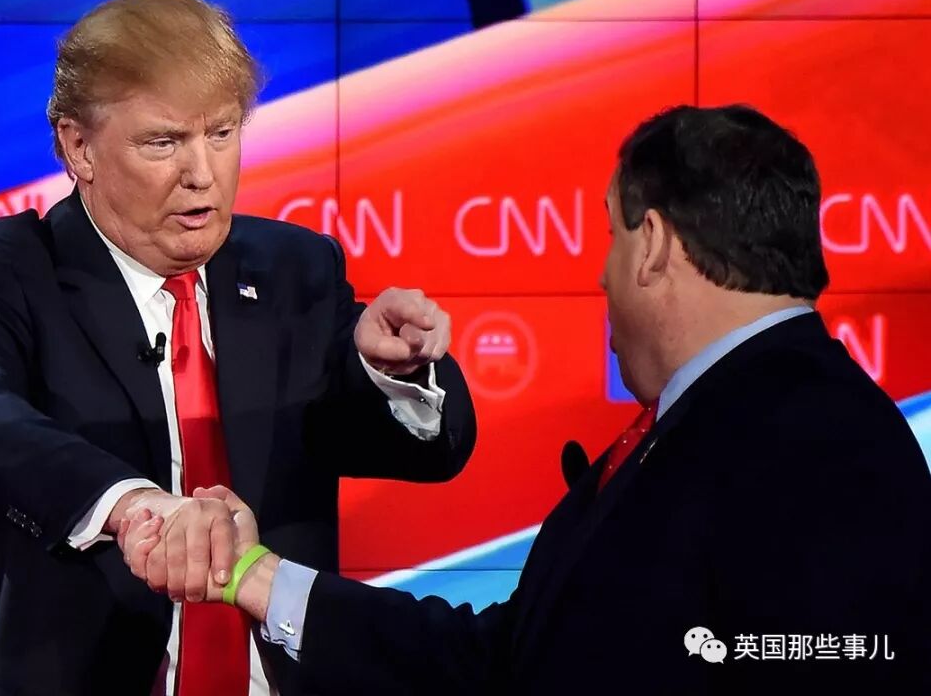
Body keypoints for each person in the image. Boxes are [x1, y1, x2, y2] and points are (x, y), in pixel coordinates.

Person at [123, 105, 931, 695]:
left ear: (652, 246)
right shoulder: (731, 420)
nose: (604, 276)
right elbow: (510, 657)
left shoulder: (819, 437)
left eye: (613, 238)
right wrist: (258, 578)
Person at [0, 0, 476, 696]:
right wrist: (130, 508)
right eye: (164, 142)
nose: (202, 174)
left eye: (222, 133)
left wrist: (390, 373)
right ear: (78, 147)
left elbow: (428, 454)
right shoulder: (4, 274)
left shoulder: (295, 270)